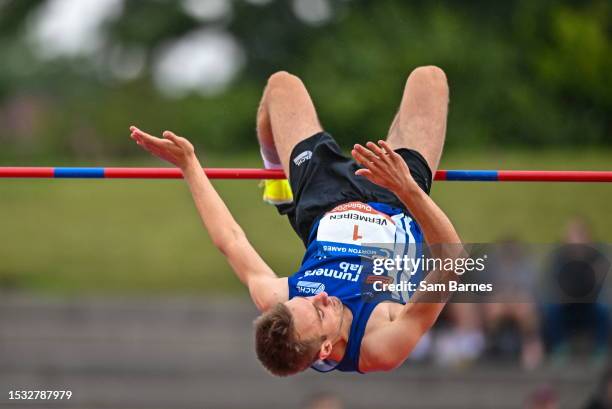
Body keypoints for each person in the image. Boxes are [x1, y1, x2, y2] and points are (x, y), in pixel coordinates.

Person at [129, 65, 462, 376]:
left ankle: (278, 181)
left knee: (281, 86)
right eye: (319, 312)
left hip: (322, 199)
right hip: (396, 200)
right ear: (326, 348)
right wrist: (408, 190)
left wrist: (189, 165)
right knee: (429, 78)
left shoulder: (280, 301)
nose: (320, 297)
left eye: (304, 298)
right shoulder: (379, 344)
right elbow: (453, 262)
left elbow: (230, 240)